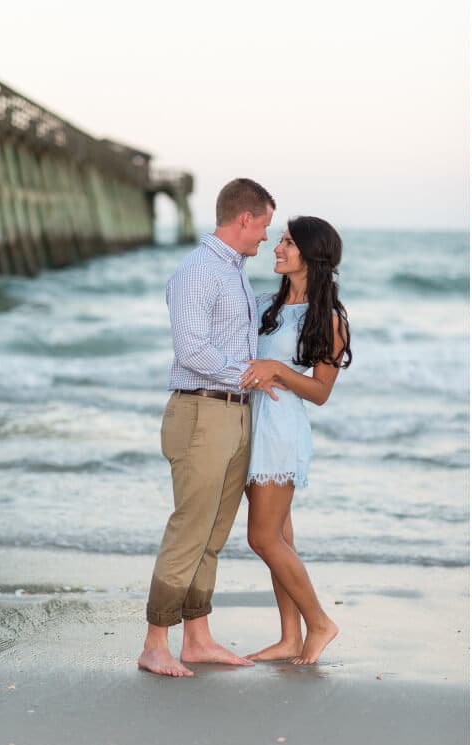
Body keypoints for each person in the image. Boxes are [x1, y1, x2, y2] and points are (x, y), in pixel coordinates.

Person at [138, 178, 279, 677]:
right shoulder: (198, 271)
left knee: (215, 532)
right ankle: (156, 643)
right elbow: (192, 350)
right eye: (263, 225)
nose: (266, 236)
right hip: (202, 411)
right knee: (190, 527)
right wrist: (250, 375)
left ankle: (196, 638)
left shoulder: (234, 272)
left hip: (234, 411)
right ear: (244, 219)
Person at [236, 216, 352, 665]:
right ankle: (289, 637)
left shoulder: (328, 318)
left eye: (287, 242)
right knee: (281, 535)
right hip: (249, 423)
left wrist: (280, 370)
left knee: (263, 539)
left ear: (310, 254)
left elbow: (321, 393)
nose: (277, 248)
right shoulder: (265, 304)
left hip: (280, 430)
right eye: (279, 240)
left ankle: (320, 622)